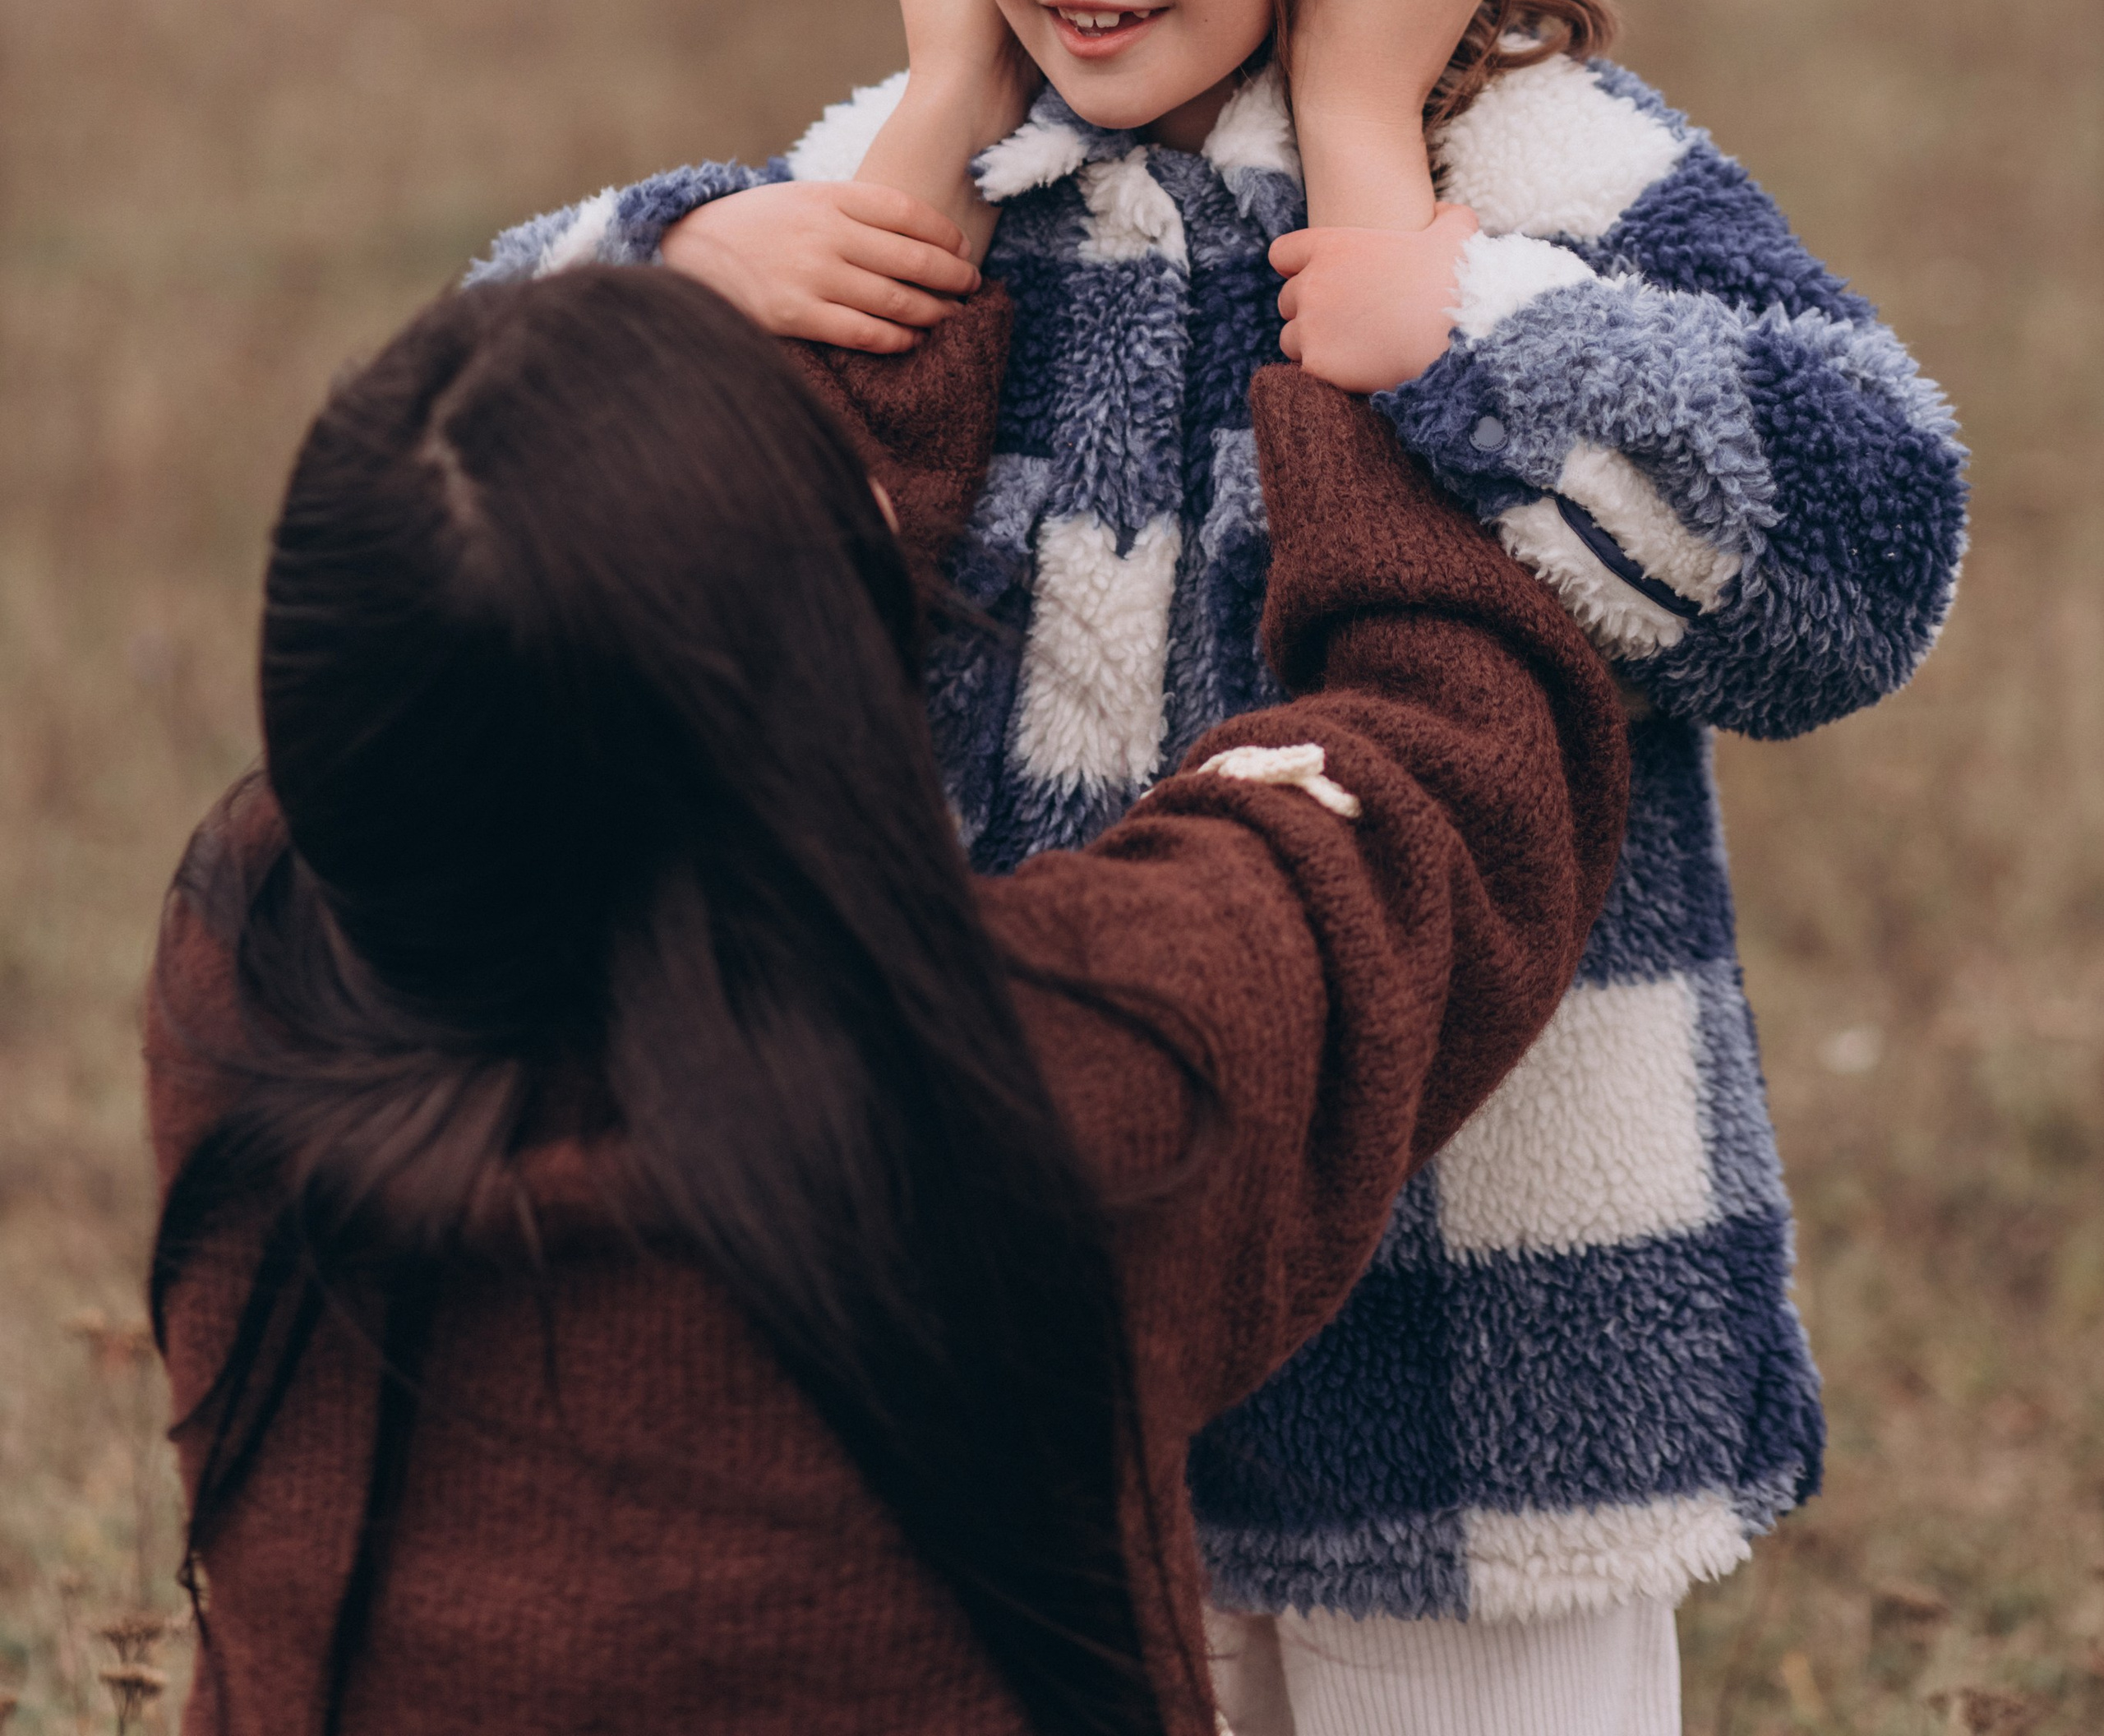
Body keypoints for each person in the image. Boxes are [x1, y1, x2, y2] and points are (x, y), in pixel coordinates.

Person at [472, 0, 1969, 1735]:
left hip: (1481, 1336)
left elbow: (1867, 549)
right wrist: (723, 245)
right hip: (1025, 1331)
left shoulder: (1535, 172)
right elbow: (463, 479)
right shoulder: (921, 183)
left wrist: (1439, 286)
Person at [146, 261, 1629, 1736]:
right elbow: (1455, 772)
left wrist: (899, 224)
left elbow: (580, 684)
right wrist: (1384, 368)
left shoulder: (244, 988)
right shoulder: (1052, 1082)